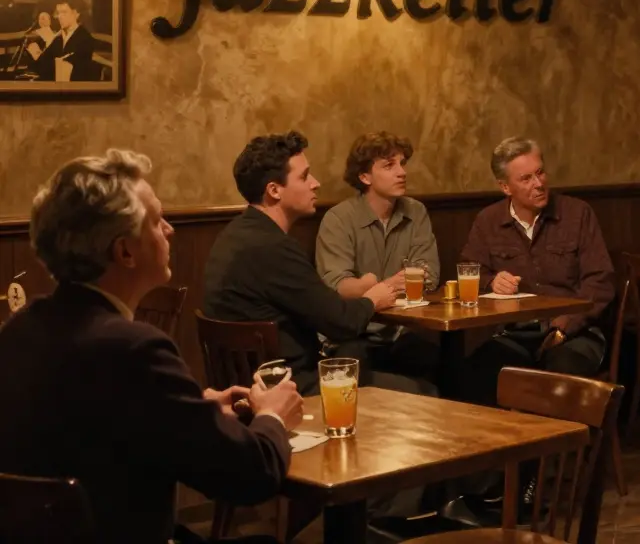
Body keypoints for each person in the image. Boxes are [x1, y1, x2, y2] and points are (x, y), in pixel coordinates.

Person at [0, 149, 302, 544]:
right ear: (125, 251)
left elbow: (96, 431)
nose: (171, 230)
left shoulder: (21, 329)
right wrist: (272, 416)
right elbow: (251, 475)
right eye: (158, 221)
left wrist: (195, 408)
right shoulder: (134, 350)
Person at [203, 130, 419, 396]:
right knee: (423, 393)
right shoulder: (271, 248)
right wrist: (373, 299)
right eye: (305, 176)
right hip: (288, 390)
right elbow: (339, 322)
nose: (315, 183)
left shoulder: (236, 234)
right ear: (274, 190)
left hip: (251, 383)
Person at [457, 137, 615, 406]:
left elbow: (600, 282)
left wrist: (564, 327)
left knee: (559, 373)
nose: (539, 184)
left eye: (540, 173)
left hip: (575, 333)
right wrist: (492, 282)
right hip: (516, 334)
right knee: (476, 372)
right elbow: (469, 273)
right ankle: (505, 446)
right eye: (526, 178)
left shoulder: (577, 214)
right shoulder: (488, 221)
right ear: (505, 187)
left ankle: (559, 448)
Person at [315, 131, 441, 392]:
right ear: (364, 177)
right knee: (415, 389)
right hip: (353, 334)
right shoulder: (338, 219)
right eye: (389, 165)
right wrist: (387, 285)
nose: (401, 172)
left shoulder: (415, 212)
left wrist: (374, 286)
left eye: (402, 163)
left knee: (448, 368)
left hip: (402, 331)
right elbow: (337, 285)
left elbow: (429, 273)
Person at [26, 0, 107, 82]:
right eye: (58, 13)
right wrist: (36, 54)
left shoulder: (85, 39)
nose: (59, 16)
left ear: (76, 14)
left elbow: (69, 71)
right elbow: (38, 67)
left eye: (64, 12)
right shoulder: (58, 39)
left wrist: (43, 58)